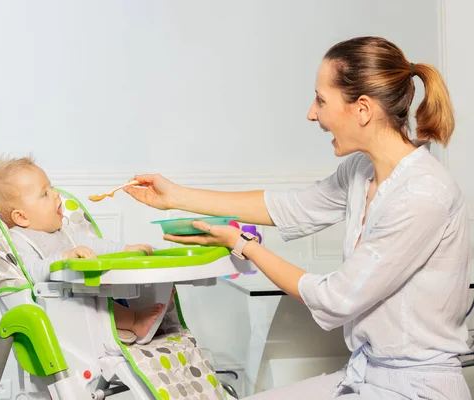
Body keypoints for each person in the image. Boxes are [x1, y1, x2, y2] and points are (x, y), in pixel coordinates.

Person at [123, 36, 472, 399]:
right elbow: (290, 208)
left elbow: (336, 298)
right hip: (366, 373)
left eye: (321, 100)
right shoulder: (361, 171)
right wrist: (175, 197)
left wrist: (242, 245)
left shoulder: (422, 195)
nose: (312, 113)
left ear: (363, 109)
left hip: (417, 390)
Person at [0, 155, 168, 344]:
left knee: (101, 296)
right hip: (59, 309)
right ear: (21, 217)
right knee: (92, 304)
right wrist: (65, 258)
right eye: (44, 193)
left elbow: (98, 245)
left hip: (83, 296)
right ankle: (135, 321)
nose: (56, 194)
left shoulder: (63, 233)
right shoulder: (20, 239)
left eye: (51, 187)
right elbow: (33, 271)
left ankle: (144, 311)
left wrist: (126, 249)